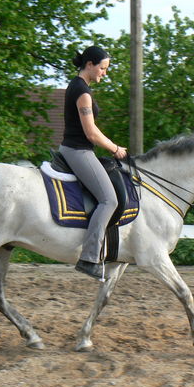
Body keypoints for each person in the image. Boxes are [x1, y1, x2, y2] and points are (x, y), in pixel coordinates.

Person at [59, 46, 127, 280]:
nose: (104, 73)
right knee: (109, 200)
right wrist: (115, 148)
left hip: (77, 149)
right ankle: (89, 258)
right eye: (103, 68)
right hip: (78, 151)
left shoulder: (77, 86)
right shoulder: (82, 91)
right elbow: (91, 133)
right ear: (90, 64)